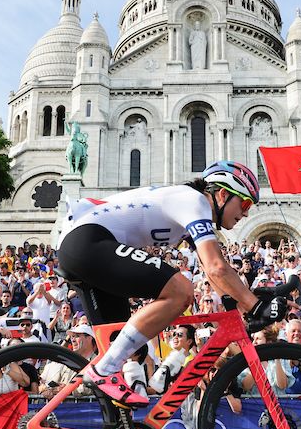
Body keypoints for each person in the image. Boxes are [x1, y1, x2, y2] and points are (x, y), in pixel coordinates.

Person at [55, 160, 287, 408]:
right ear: (222, 194)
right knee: (180, 291)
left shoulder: (191, 212)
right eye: (244, 203)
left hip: (84, 247)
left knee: (116, 346)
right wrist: (255, 306)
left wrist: (240, 306)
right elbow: (216, 267)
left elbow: (214, 275)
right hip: (87, 242)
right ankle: (103, 371)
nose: (246, 213)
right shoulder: (194, 201)